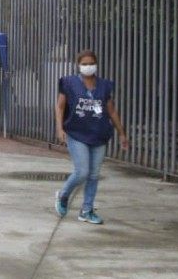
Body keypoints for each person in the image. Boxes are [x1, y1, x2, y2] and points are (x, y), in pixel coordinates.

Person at [55, 50, 128, 225]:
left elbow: (111, 110)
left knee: (94, 174)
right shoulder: (69, 83)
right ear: (79, 65)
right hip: (76, 133)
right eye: (84, 64)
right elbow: (60, 107)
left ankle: (87, 210)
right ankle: (64, 195)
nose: (88, 66)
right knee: (82, 171)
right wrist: (60, 128)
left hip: (99, 134)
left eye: (91, 63)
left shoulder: (104, 86)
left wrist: (122, 133)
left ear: (96, 64)